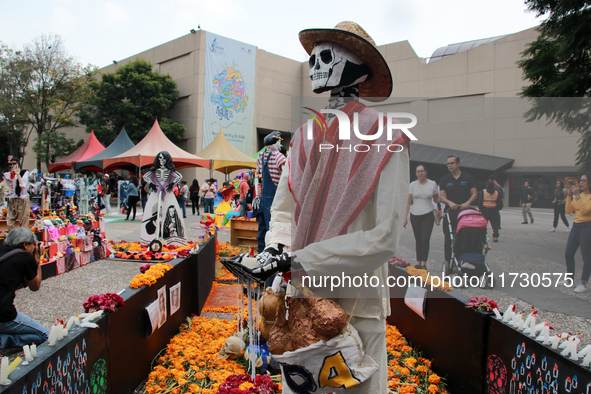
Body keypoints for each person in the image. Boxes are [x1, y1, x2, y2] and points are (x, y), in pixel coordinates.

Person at [227, 21, 410, 393]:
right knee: (302, 383)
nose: (314, 65)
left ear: (358, 67)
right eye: (311, 58)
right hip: (302, 293)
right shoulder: (305, 136)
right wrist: (276, 249)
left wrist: (299, 259)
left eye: (325, 56)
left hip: (357, 297)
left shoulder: (389, 136)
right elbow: (283, 209)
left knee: (359, 385)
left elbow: (385, 237)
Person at [0, 227, 49, 348]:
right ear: (25, 245)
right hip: (3, 315)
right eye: (33, 245)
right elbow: (35, 286)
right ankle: (4, 340)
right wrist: (37, 259)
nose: (34, 248)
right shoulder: (25, 258)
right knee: (44, 335)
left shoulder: (2, 251)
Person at [140, 151, 186, 246]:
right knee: (153, 213)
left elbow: (179, 176)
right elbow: (145, 176)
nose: (161, 160)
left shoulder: (170, 172)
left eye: (163, 158)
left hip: (167, 194)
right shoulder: (154, 171)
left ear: (167, 160)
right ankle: (151, 237)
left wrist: (171, 184)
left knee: (169, 212)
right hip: (156, 193)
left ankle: (170, 238)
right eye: (160, 158)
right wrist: (151, 183)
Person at [439, 155, 478, 265]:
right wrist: (450, 203)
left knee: (465, 238)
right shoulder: (445, 180)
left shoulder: (468, 178)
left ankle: (464, 261)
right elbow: (441, 197)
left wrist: (468, 203)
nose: (450, 165)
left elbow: (474, 194)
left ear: (458, 164)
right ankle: (449, 262)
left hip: (465, 213)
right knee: (449, 239)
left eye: (452, 163)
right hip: (450, 213)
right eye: (448, 164)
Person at [254, 131, 287, 252]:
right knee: (272, 226)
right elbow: (285, 176)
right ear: (275, 142)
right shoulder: (279, 156)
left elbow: (257, 176)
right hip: (275, 197)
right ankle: (269, 253)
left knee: (262, 227)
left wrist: (257, 195)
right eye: (279, 142)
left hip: (262, 196)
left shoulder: (260, 156)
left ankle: (261, 251)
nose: (279, 145)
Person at [403, 165, 439, 269]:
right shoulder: (412, 185)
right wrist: (405, 218)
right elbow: (408, 202)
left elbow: (436, 199)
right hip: (415, 214)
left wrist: (447, 201)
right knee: (418, 239)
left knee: (425, 238)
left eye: (422, 171)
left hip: (428, 213)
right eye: (418, 171)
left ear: (426, 172)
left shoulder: (432, 184)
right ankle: (418, 263)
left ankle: (424, 263)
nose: (420, 173)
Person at [562, 174, 591, 293]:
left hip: (587, 226)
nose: (581, 183)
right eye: (580, 181)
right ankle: (569, 279)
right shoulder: (579, 196)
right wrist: (569, 196)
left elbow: (584, 211)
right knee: (568, 253)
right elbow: (569, 211)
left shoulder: (588, 197)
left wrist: (577, 196)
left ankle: (583, 283)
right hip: (576, 226)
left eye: (584, 181)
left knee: (586, 256)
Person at [2, 157, 30, 232]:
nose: (12, 166)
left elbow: (23, 185)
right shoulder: (8, 175)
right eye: (10, 164)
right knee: (10, 220)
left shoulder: (24, 173)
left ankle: (23, 237)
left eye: (14, 163)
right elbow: (9, 186)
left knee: (23, 220)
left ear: (18, 163)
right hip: (13, 198)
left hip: (22, 198)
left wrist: (18, 174)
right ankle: (12, 235)